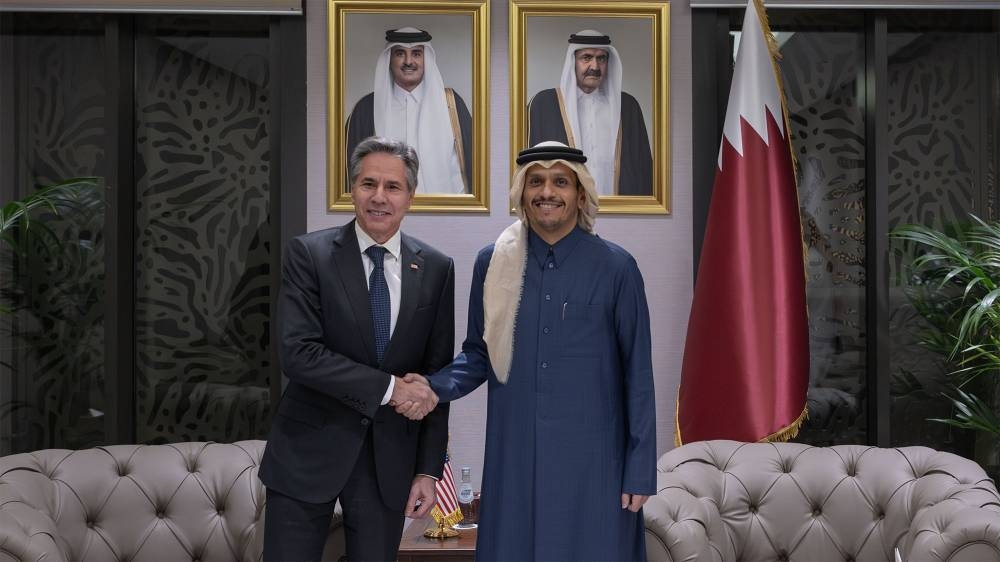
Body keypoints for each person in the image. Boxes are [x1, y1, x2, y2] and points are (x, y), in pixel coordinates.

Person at [404, 142, 656, 561]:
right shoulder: (492, 262)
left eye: (561, 181)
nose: (547, 192)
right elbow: (477, 354)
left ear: (580, 193)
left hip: (595, 464)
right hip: (515, 455)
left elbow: (638, 375)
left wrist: (640, 469)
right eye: (535, 181)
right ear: (522, 192)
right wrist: (433, 387)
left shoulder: (617, 268)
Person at [260, 137, 455, 562]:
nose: (379, 197)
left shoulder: (437, 268)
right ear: (352, 189)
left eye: (393, 186)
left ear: (410, 196)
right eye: (369, 184)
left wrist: (428, 469)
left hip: (388, 463)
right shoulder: (309, 255)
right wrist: (390, 389)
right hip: (306, 455)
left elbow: (433, 379)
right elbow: (299, 353)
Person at [346, 27, 472, 194]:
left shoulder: (452, 105)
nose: (408, 61)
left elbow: (472, 165)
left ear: (426, 59)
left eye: (416, 54)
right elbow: (353, 173)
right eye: (400, 53)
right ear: (389, 60)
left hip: (445, 212)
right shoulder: (366, 109)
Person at [527, 30, 653, 196]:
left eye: (601, 58)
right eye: (586, 57)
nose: (594, 66)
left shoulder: (628, 107)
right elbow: (530, 168)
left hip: (619, 210)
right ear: (573, 61)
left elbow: (643, 169)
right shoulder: (543, 104)